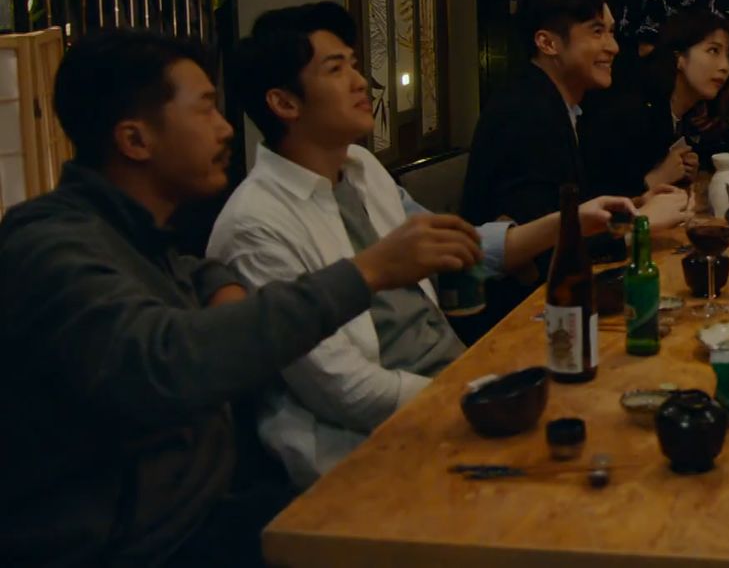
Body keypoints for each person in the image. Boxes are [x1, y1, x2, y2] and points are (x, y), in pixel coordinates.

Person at [0, 30, 480, 566]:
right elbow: (167, 362)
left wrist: (217, 283)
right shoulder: (50, 247)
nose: (226, 128)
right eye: (205, 109)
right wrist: (367, 271)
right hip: (138, 547)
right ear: (135, 140)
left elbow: (192, 268)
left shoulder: (134, 234)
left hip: (210, 512)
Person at [208, 3, 637, 487]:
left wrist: (573, 222)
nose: (360, 82)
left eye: (354, 64)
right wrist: (469, 395)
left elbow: (457, 246)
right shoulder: (256, 225)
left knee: (616, 407)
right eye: (336, 69)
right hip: (369, 452)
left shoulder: (361, 168)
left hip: (452, 381)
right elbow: (345, 391)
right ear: (284, 103)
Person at [460, 0, 688, 339]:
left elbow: (563, 213)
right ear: (548, 43)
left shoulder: (555, 102)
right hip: (509, 325)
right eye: (597, 32)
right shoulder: (526, 113)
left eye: (611, 32)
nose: (613, 47)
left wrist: (632, 206)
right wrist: (640, 225)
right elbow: (544, 249)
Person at [585, 9, 729, 197]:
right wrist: (657, 178)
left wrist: (683, 172)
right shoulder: (631, 112)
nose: (725, 66)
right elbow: (597, 195)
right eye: (713, 51)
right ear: (679, 57)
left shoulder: (688, 118)